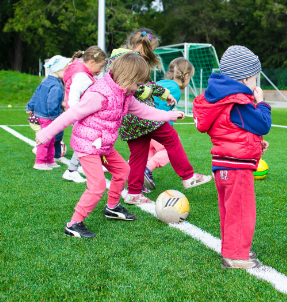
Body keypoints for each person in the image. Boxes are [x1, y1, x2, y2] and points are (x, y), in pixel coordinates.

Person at [35, 53, 185, 238]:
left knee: (123, 170)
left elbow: (143, 111)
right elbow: (71, 115)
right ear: (128, 78)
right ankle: (74, 224)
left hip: (103, 145)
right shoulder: (99, 95)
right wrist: (46, 133)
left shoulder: (125, 94)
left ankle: (112, 207)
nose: (140, 88)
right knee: (97, 186)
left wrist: (169, 115)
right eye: (138, 84)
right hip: (87, 146)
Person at [106, 28, 212, 205]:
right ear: (142, 46)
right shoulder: (129, 59)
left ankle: (133, 193)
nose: (151, 54)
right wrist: (151, 94)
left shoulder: (118, 57)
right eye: (151, 49)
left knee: (138, 154)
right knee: (171, 138)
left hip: (128, 120)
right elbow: (134, 87)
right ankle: (188, 176)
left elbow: (146, 83)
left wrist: (164, 94)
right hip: (141, 115)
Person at [193, 45, 272, 269]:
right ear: (245, 79)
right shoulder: (238, 101)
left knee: (230, 211)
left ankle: (234, 248)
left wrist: (256, 144)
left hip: (224, 165)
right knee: (241, 211)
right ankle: (235, 256)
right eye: (255, 79)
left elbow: (233, 130)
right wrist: (262, 103)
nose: (256, 84)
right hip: (236, 168)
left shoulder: (221, 99)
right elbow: (262, 123)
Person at [143, 57, 194, 192]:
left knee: (149, 151)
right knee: (168, 150)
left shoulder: (161, 82)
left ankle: (139, 178)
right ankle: (147, 169)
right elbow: (161, 109)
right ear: (186, 76)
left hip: (142, 123)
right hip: (155, 125)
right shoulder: (175, 90)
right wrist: (168, 124)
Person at [61, 46, 107, 183]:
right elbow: (73, 98)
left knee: (92, 140)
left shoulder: (82, 72)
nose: (100, 72)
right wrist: (79, 114)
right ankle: (71, 170)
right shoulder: (82, 76)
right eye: (100, 67)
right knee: (86, 142)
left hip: (82, 114)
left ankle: (87, 166)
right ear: (92, 62)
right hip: (81, 115)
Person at [26, 55, 70, 170]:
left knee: (51, 139)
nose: (67, 73)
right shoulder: (56, 85)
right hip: (49, 116)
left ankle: (49, 160)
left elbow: (36, 93)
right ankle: (40, 162)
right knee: (46, 139)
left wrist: (30, 106)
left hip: (43, 114)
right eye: (66, 70)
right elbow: (52, 103)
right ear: (59, 70)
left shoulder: (46, 81)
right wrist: (55, 117)